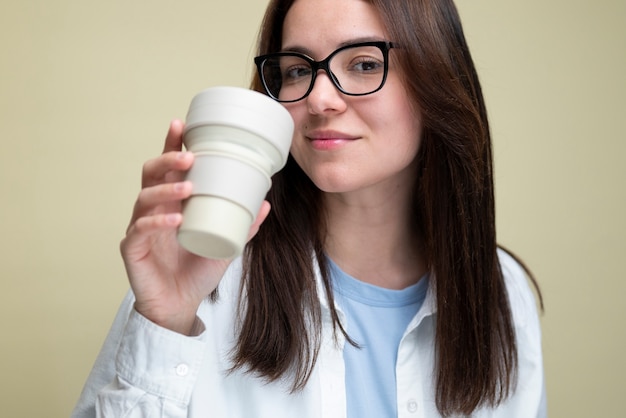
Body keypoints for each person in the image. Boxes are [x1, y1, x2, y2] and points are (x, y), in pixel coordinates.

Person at [72, 0, 546, 416]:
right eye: (298, 69)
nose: (319, 99)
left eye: (363, 64)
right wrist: (165, 323)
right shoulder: (198, 282)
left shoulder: (505, 293)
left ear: (436, 77)